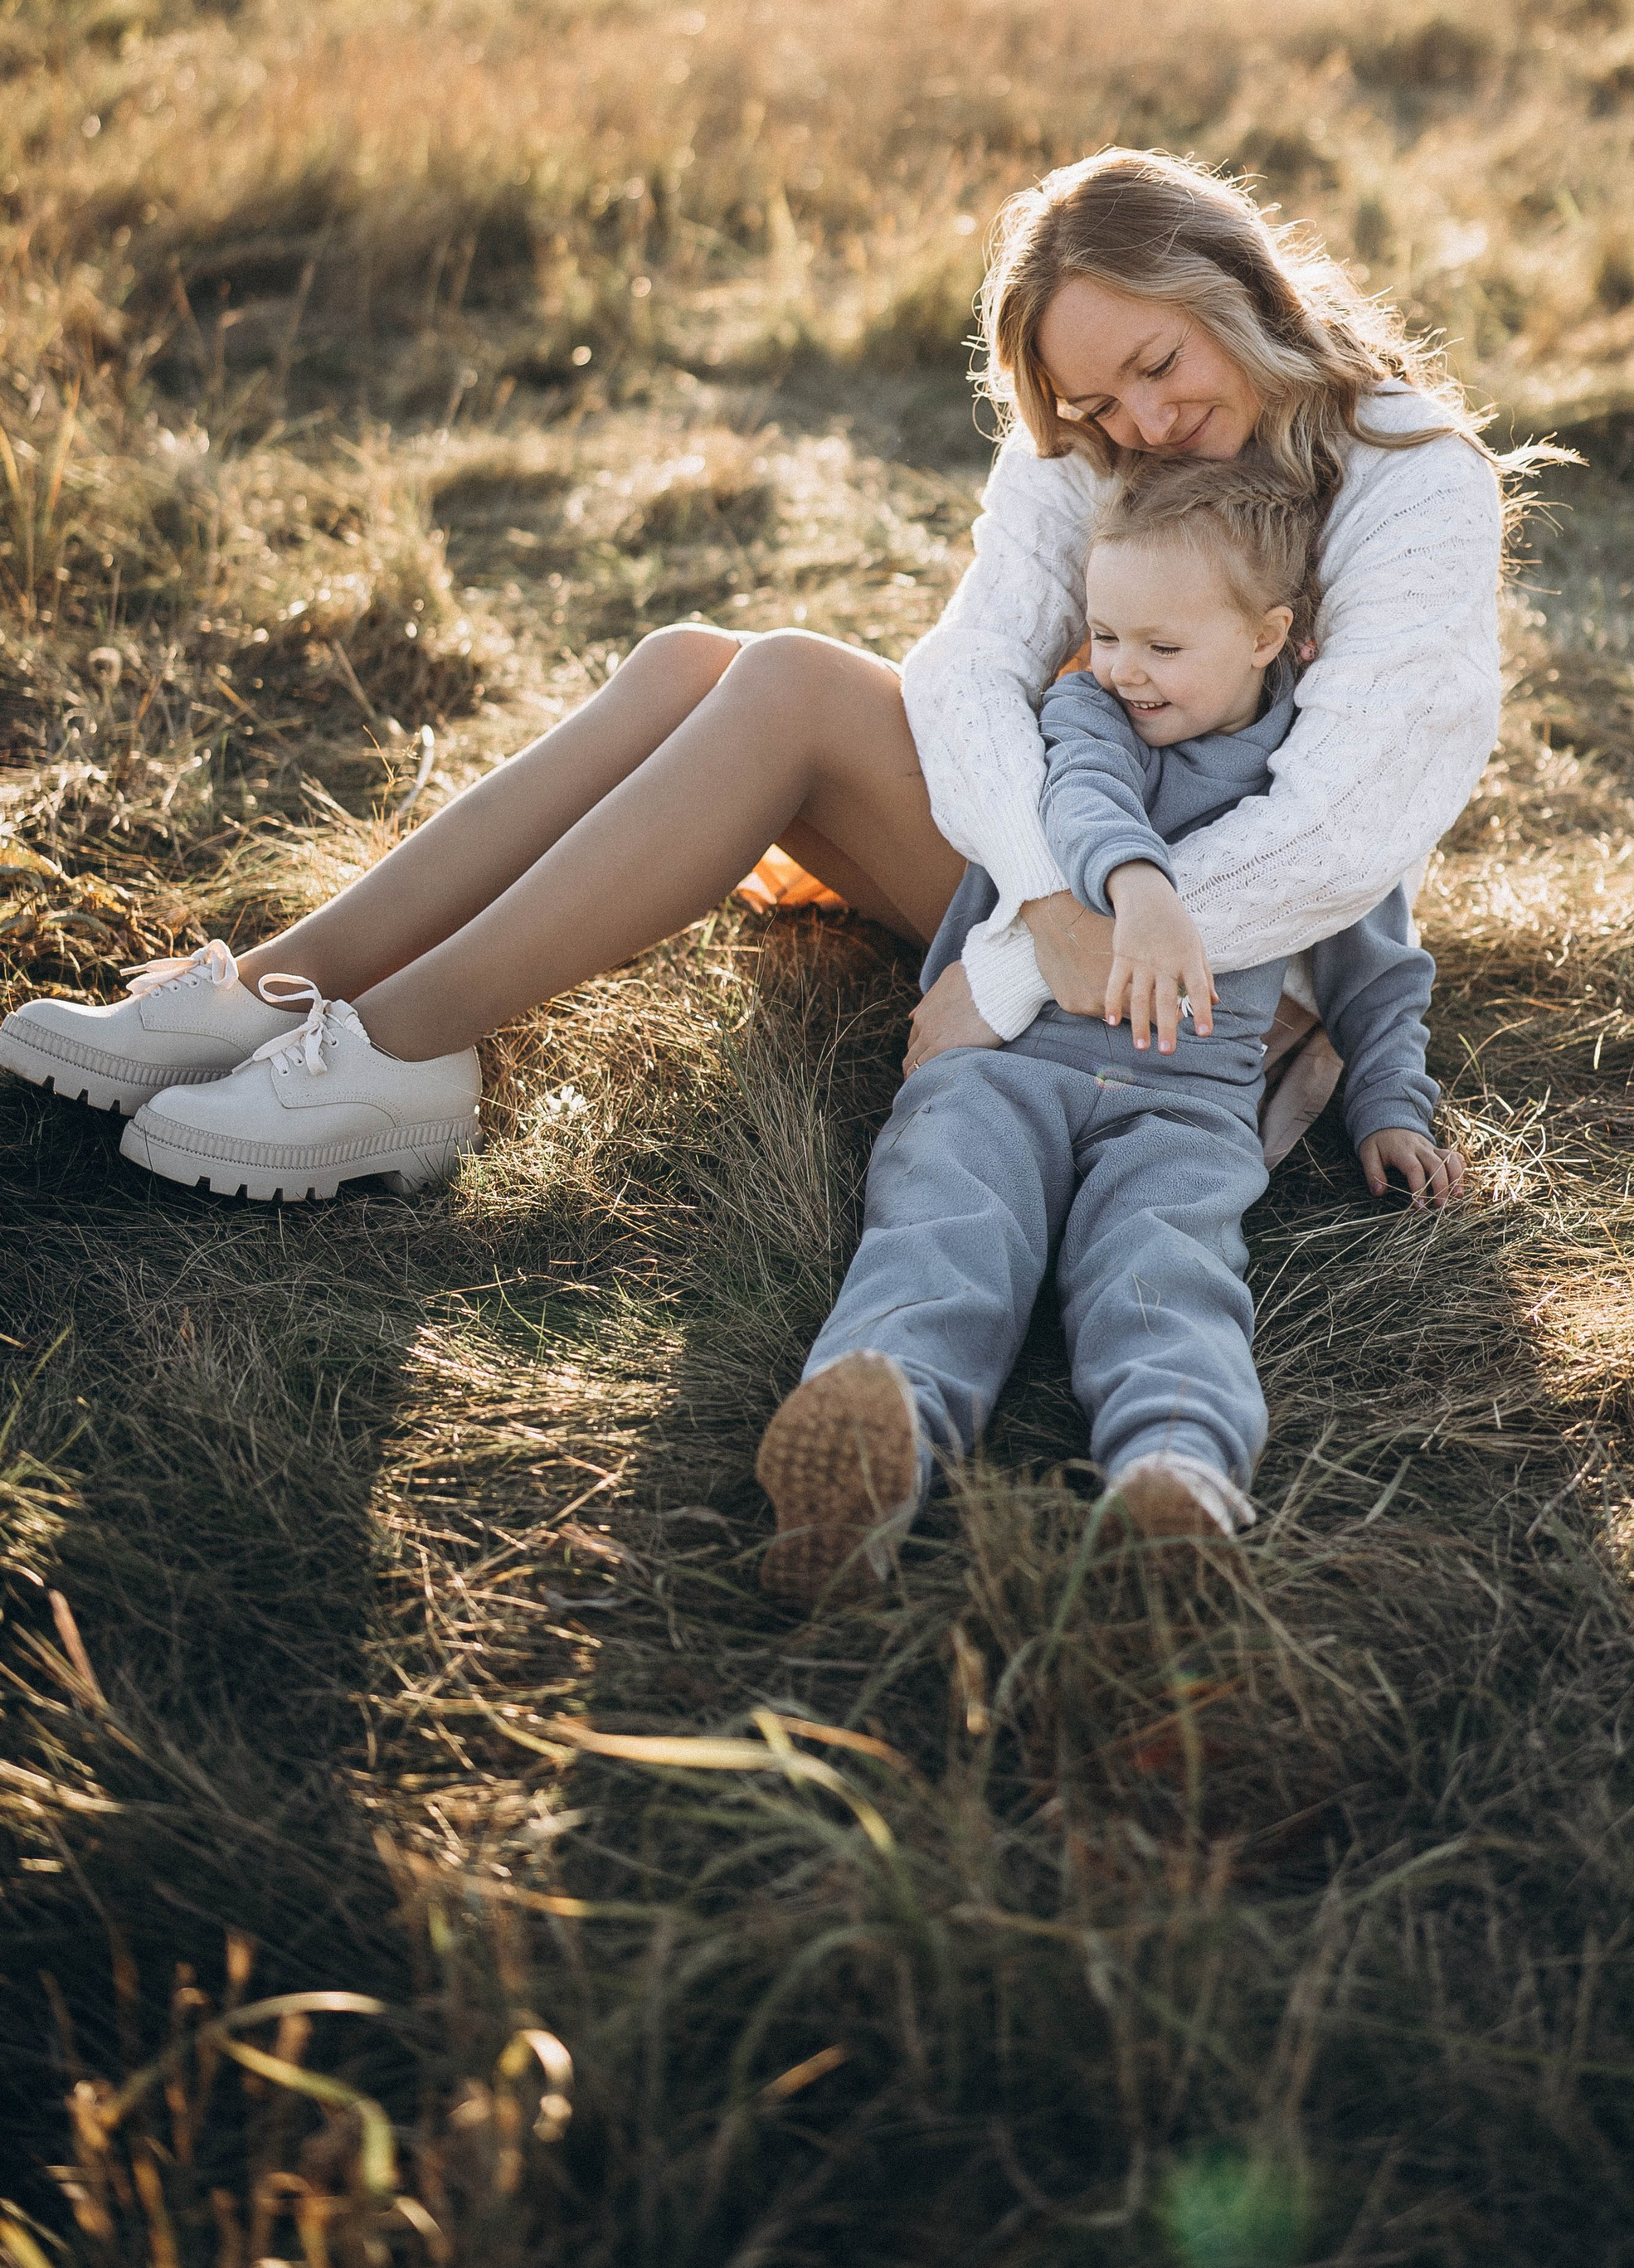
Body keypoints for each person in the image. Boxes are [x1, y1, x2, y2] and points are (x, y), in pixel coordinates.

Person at [0, 149, 1505, 1224]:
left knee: (783, 685)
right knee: (690, 662)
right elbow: (967, 671)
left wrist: (1026, 964)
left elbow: (1341, 830)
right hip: (1076, 879)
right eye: (1099, 400)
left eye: (1162, 365)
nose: (1144, 421)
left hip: (1220, 967)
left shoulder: (1411, 478)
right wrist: (1047, 893)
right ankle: (274, 994)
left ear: (1239, 287)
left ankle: (398, 1056)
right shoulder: (1103, 439)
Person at [755, 459, 1463, 1605]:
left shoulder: (1322, 779)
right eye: (1105, 633)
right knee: (944, 1223)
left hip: (1186, 1104)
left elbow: (1376, 963)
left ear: (1269, 635)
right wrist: (1139, 887)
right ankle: (873, 1444)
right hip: (1008, 1064)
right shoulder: (1091, 711)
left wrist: (1391, 1106)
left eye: (1162, 646)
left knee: (1165, 1271)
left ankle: (1175, 1481)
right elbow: (1082, 794)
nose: (1125, 667)